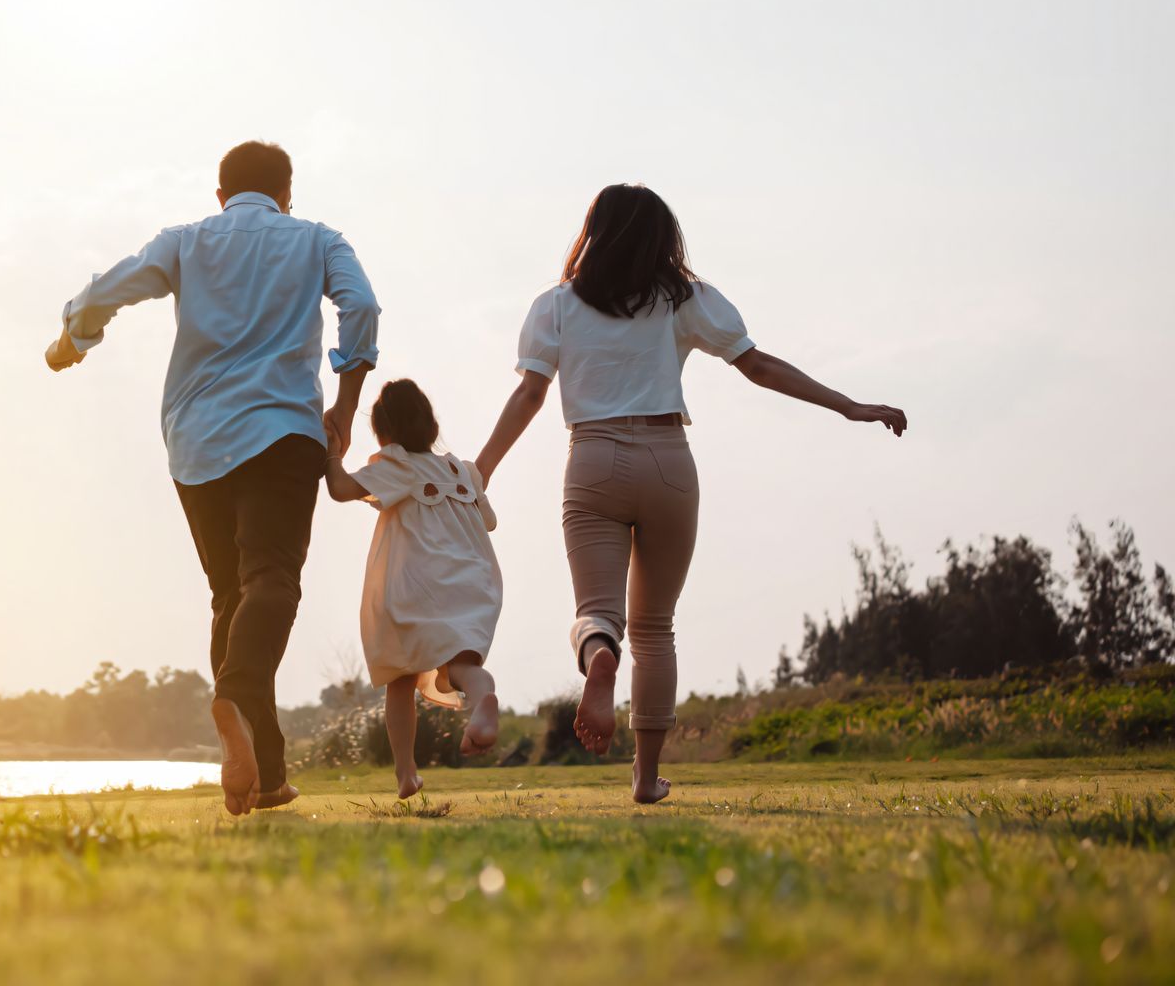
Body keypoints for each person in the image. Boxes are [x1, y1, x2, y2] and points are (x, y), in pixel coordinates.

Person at [474, 183, 906, 804]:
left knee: (600, 612)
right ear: (662, 237)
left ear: (592, 233)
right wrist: (848, 406)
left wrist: (483, 466)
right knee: (655, 629)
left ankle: (599, 655)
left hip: (592, 459)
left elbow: (530, 394)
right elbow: (758, 366)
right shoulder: (684, 300)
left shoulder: (557, 306)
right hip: (667, 462)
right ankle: (646, 780)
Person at [46, 141, 380, 816]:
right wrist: (343, 410)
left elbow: (107, 287)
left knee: (232, 596)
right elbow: (362, 308)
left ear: (220, 195)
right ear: (288, 193)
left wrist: (73, 340)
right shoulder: (316, 238)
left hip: (196, 441)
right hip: (283, 433)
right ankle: (232, 696)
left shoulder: (187, 241)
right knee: (272, 581)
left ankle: (266, 775)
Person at [323, 379, 502, 800]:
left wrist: (332, 453)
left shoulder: (396, 464)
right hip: (472, 581)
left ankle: (407, 773)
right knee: (461, 665)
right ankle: (481, 698)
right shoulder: (462, 470)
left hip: (415, 584)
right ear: (430, 424)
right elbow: (488, 522)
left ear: (384, 431)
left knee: (400, 679)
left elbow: (340, 488)